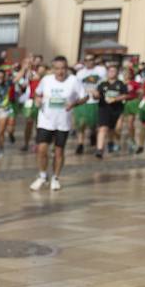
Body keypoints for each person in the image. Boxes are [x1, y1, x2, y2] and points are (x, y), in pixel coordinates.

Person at [30, 55, 85, 192]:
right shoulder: (46, 80)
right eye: (57, 69)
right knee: (42, 149)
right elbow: (37, 94)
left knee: (59, 151)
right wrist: (37, 100)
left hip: (63, 122)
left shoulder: (74, 81)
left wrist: (74, 103)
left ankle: (55, 177)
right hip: (45, 120)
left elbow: (85, 97)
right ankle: (42, 176)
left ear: (67, 68)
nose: (60, 72)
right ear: (52, 69)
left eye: (63, 68)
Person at [71, 52, 105, 155]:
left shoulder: (101, 70)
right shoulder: (80, 73)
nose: (88, 62)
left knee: (92, 124)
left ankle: (93, 134)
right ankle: (80, 144)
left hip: (95, 101)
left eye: (91, 60)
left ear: (94, 60)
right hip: (83, 100)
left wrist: (98, 92)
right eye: (86, 60)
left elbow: (104, 84)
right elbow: (77, 86)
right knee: (81, 123)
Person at [94, 62, 128, 159]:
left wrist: (116, 99)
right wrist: (95, 95)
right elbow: (97, 95)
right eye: (110, 71)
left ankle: (111, 141)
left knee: (114, 129)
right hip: (104, 108)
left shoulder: (120, 84)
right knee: (102, 128)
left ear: (117, 73)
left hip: (117, 109)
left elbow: (126, 95)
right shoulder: (102, 84)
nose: (112, 73)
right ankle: (99, 149)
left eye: (114, 71)